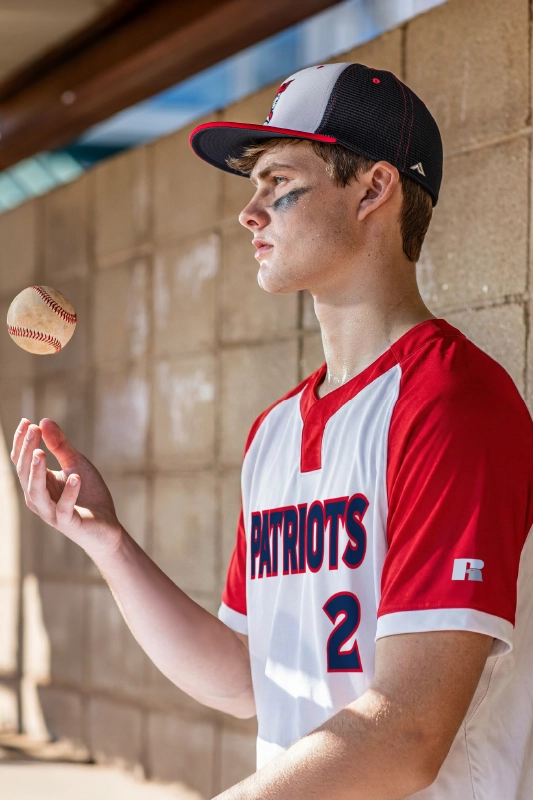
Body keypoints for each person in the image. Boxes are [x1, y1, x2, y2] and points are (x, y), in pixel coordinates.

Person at [11, 63, 533, 800]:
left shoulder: (452, 401)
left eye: (278, 182)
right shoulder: (275, 430)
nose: (248, 213)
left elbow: (409, 732)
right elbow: (243, 677)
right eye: (252, 187)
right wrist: (108, 542)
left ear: (373, 189)